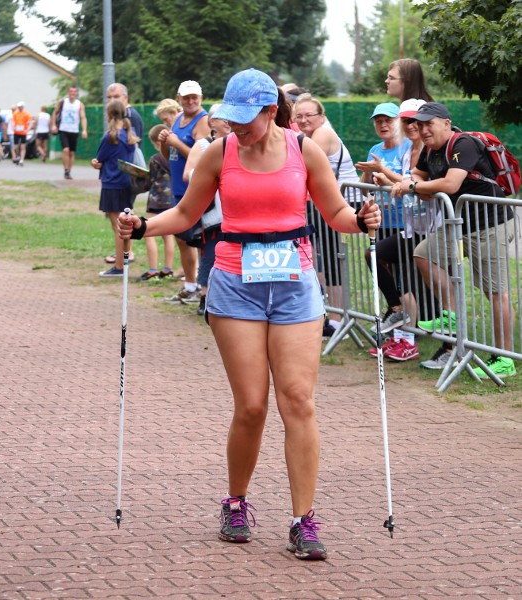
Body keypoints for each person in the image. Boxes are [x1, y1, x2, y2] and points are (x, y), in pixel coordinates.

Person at [118, 68, 381, 561]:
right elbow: (185, 213)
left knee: (298, 400)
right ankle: (235, 502)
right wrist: (143, 228)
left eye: (245, 119)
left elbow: (337, 214)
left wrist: (362, 220)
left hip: (294, 285)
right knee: (253, 406)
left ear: (269, 111)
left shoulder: (305, 151)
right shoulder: (219, 153)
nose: (235, 127)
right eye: (230, 119)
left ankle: (304, 519)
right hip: (236, 283)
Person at [390, 102, 516, 377]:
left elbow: (449, 185)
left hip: (489, 223)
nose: (423, 130)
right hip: (458, 224)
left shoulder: (464, 144)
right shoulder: (430, 151)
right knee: (424, 254)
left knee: (495, 292)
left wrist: (411, 185)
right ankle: (451, 316)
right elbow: (420, 176)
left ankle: (504, 359)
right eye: (419, 125)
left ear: (446, 123)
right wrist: (414, 180)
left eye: (428, 124)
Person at [357, 99, 436, 362]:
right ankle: (400, 332)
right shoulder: (407, 150)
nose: (410, 126)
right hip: (406, 226)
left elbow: (413, 184)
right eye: (406, 120)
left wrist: (384, 172)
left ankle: (409, 338)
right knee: (397, 278)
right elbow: (401, 182)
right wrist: (379, 176)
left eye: (389, 120)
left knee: (406, 281)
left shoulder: (423, 149)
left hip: (418, 227)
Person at [293, 93, 360, 336]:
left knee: (331, 258)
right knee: (316, 256)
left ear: (321, 117)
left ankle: (337, 317)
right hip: (320, 203)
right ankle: (323, 311)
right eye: (298, 116)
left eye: (309, 115)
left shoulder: (321, 135)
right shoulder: (307, 136)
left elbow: (300, 166)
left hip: (339, 204)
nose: (303, 120)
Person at [157, 80, 210, 304]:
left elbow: (203, 158)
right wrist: (164, 143)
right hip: (179, 188)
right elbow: (170, 156)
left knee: (200, 240)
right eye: (186, 98)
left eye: (194, 97)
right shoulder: (178, 119)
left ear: (201, 97)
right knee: (182, 238)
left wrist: (176, 143)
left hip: (196, 190)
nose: (190, 101)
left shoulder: (204, 121)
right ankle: (190, 285)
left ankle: (204, 287)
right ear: (178, 98)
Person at [182, 104, 232, 316]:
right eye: (223, 118)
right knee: (210, 253)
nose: (228, 121)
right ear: (212, 122)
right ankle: (205, 297)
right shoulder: (203, 145)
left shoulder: (238, 144)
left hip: (234, 212)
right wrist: (212, 173)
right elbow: (188, 174)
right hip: (213, 213)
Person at [92, 99, 138, 277]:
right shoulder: (130, 133)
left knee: (117, 227)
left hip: (111, 184)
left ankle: (119, 266)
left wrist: (94, 163)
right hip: (126, 183)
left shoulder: (110, 136)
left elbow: (99, 159)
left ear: (109, 115)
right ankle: (124, 261)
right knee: (125, 226)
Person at [139, 124, 176, 281]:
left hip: (156, 201)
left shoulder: (155, 159)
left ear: (156, 142)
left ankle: (153, 269)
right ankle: (167, 269)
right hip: (171, 200)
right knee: (168, 236)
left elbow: (150, 182)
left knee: (149, 234)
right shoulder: (175, 157)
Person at [51, 86, 88, 179]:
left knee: (71, 153)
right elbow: (55, 113)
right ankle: (66, 170)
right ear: (68, 92)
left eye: (74, 91)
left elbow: (83, 117)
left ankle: (69, 171)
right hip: (63, 129)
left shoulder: (79, 104)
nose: (72, 93)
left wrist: (84, 130)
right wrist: (53, 125)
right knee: (65, 150)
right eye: (71, 91)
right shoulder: (62, 102)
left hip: (74, 130)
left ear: (76, 93)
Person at [11, 101, 33, 166]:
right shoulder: (15, 113)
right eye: (18, 107)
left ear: (23, 107)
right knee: (15, 147)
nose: (19, 108)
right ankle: (18, 156)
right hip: (16, 132)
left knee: (23, 146)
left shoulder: (27, 114)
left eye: (21, 107)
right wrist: (13, 127)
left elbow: (30, 123)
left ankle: (22, 160)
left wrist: (27, 130)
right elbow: (13, 121)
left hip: (23, 132)